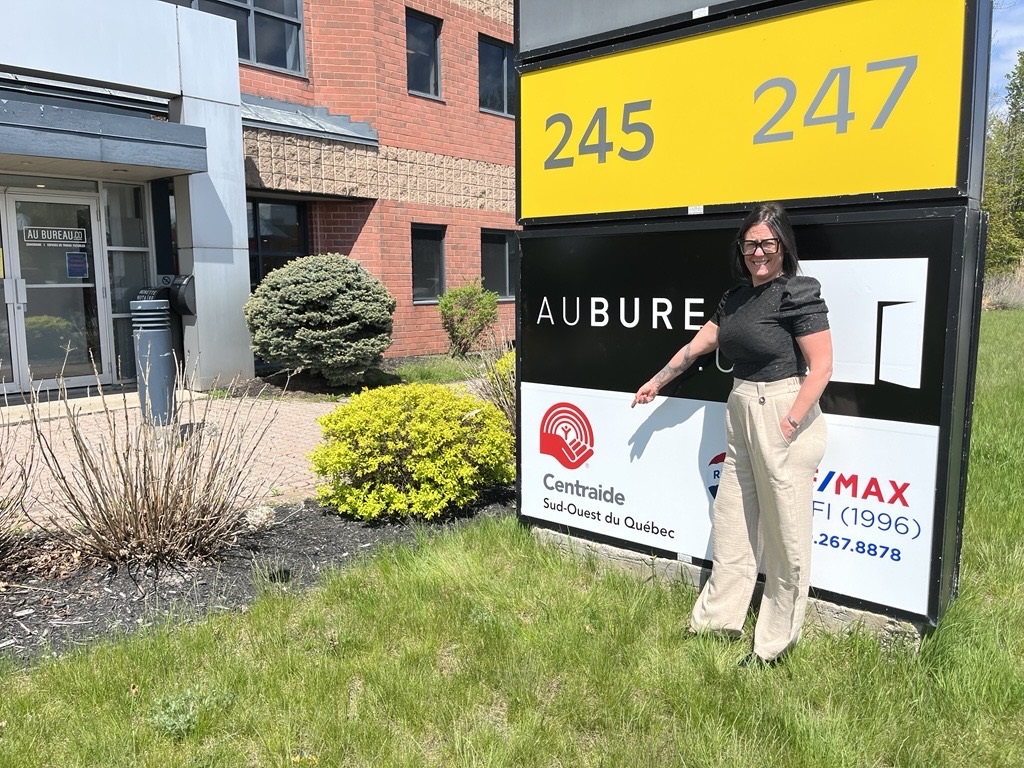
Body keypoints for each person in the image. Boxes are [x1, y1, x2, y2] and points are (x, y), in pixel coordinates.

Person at [631, 202, 832, 667]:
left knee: (786, 536)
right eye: (750, 244)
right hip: (740, 407)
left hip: (782, 409)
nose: (758, 252)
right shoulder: (735, 299)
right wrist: (656, 382)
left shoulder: (798, 293)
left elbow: (821, 366)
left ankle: (773, 645)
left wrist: (789, 423)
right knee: (733, 523)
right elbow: (695, 348)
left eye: (767, 243)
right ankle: (717, 620)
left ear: (783, 246)